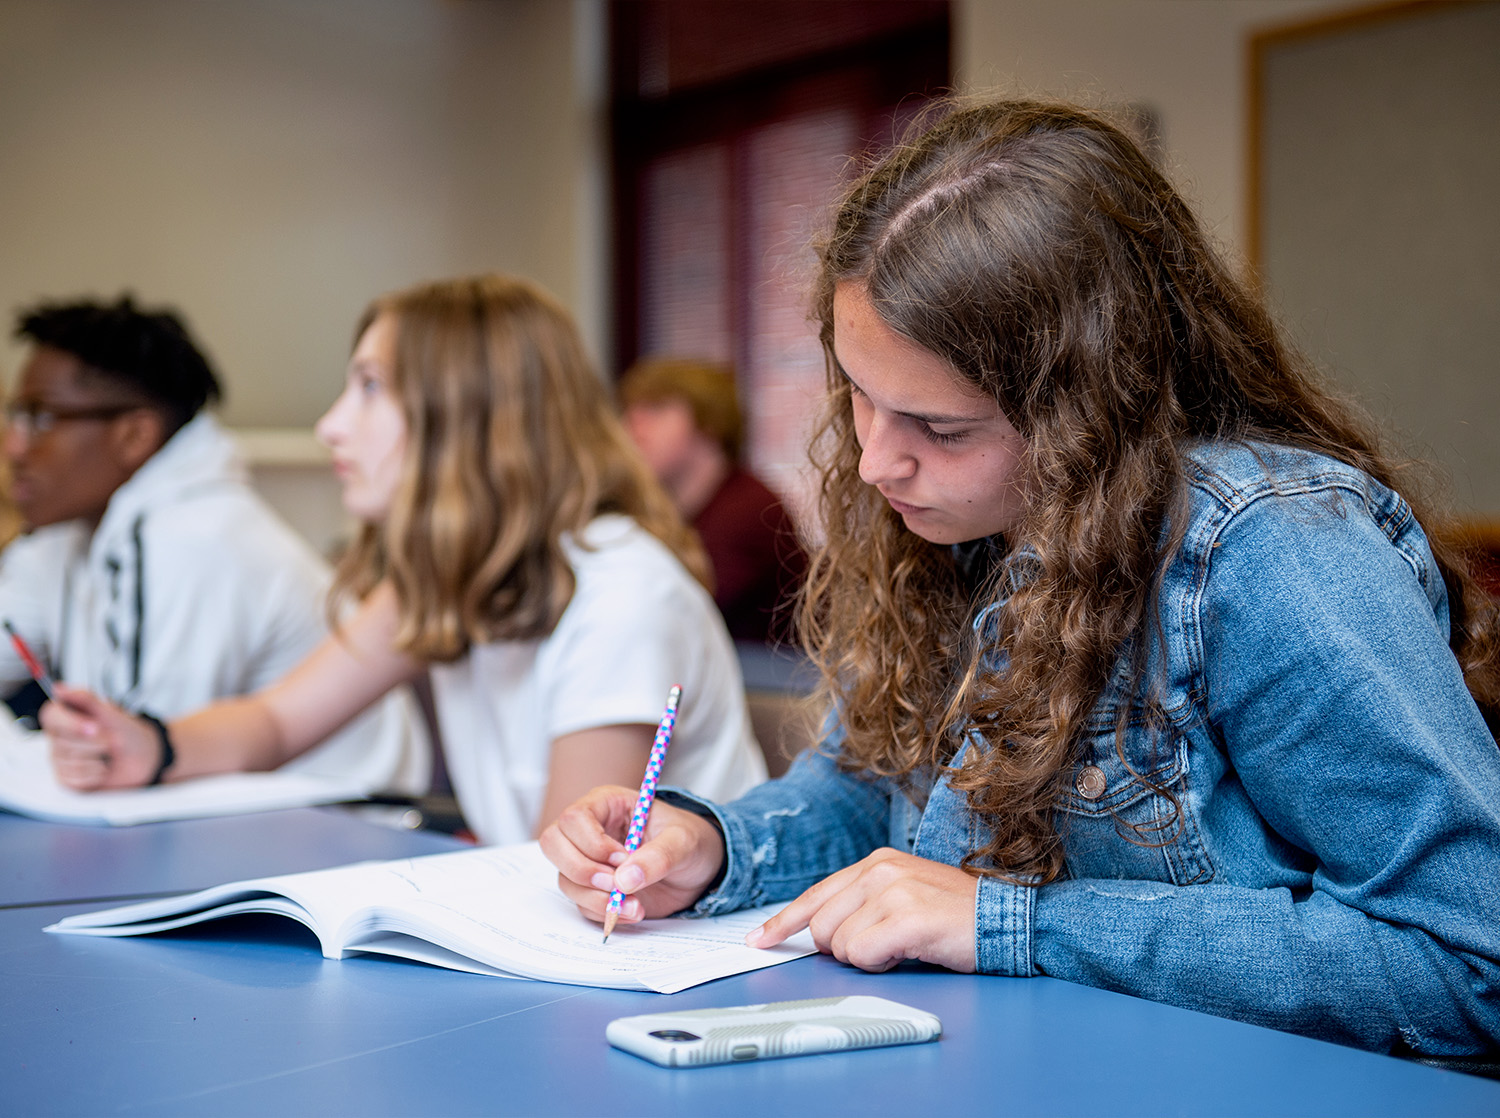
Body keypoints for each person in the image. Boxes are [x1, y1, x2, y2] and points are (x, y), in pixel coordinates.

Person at [541, 99, 1500, 1063]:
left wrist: (1018, 924)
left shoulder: (1273, 553)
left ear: (1093, 404)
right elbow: (870, 795)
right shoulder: (969, 518)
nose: (876, 464)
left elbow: (1468, 961)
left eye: (941, 429)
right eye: (858, 398)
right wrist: (712, 851)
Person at [43, 275, 767, 845]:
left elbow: (570, 864)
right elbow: (276, 723)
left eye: (368, 388)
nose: (330, 425)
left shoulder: (622, 596)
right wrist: (151, 746)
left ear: (469, 415)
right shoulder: (449, 573)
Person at [2, 295, 421, 790]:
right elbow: (259, 726)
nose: (14, 446)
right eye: (15, 415)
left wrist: (134, 748)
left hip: (346, 812)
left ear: (135, 436)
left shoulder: (193, 540)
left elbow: (131, 768)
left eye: (42, 418)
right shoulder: (70, 533)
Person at [620, 357, 806, 643]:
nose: (634, 425)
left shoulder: (749, 511)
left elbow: (673, 616)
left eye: (655, 409)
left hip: (773, 683)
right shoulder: (672, 509)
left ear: (710, 421)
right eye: (630, 411)